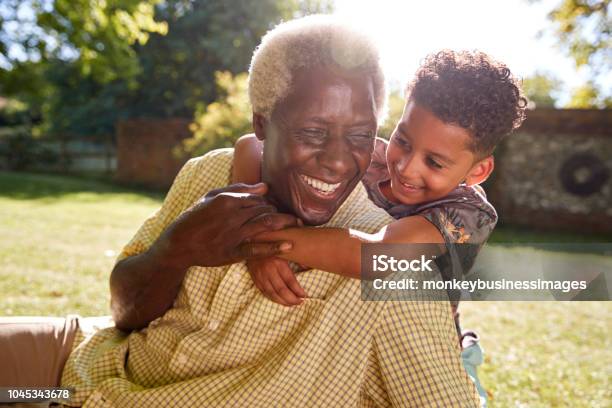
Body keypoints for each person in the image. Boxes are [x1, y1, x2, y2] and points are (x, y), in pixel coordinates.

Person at [0, 16, 480, 407]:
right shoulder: (210, 174)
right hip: (83, 367)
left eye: (359, 137)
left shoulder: (394, 273)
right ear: (263, 125)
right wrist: (177, 249)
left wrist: (265, 243)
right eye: (313, 133)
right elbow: (123, 313)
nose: (338, 160)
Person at [232, 50, 528, 406]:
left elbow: (376, 255)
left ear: (477, 171)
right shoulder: (368, 157)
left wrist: (267, 243)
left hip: (422, 348)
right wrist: (252, 224)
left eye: (433, 162)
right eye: (403, 140)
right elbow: (251, 146)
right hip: (348, 330)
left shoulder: (466, 215)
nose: (406, 167)